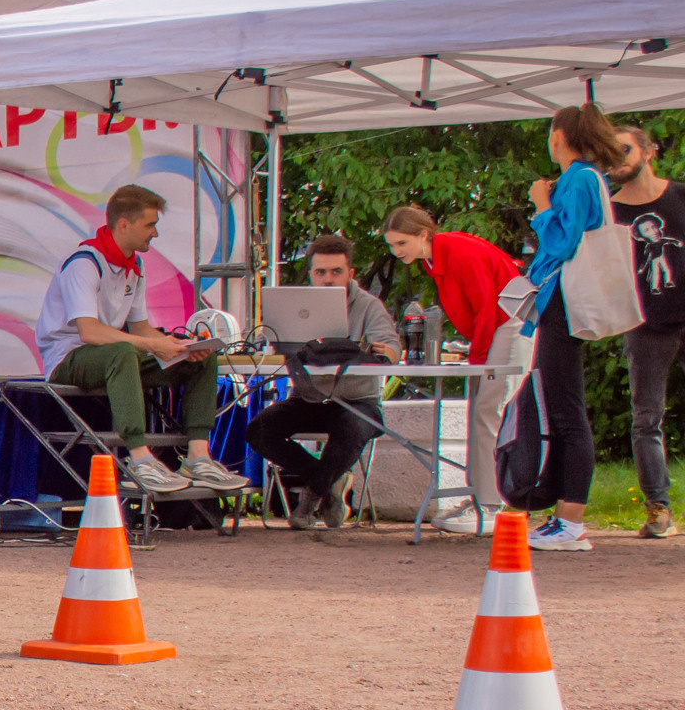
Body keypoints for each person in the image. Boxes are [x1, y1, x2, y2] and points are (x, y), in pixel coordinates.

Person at [32, 184, 243, 495]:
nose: (155, 233)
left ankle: (198, 457)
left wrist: (177, 345)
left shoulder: (135, 266)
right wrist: (152, 344)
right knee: (122, 352)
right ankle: (140, 460)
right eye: (150, 224)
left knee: (201, 357)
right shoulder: (83, 263)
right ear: (124, 224)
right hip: (68, 357)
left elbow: (141, 329)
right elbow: (88, 332)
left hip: (114, 357)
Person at [379, 206, 527, 535]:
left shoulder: (457, 251)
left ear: (423, 234)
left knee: (487, 412)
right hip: (499, 326)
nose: (397, 252)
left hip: (510, 324)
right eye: (392, 246)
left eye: (401, 243)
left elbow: (488, 306)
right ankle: (479, 497)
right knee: (481, 412)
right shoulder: (437, 258)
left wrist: (477, 357)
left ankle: (489, 505)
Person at [519, 102, 627, 551]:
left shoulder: (580, 178)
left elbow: (563, 242)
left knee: (566, 410)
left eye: (550, 132)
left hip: (564, 302)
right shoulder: (583, 178)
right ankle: (563, 516)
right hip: (558, 303)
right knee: (562, 407)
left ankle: (572, 522)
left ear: (560, 136)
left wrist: (542, 205)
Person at [242, 234, 402, 530]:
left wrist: (386, 350)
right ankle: (331, 482)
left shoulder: (369, 305)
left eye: (336, 272)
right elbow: (269, 343)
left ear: (351, 274)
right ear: (311, 273)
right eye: (320, 272)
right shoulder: (295, 305)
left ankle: (309, 499)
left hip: (357, 401)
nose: (328, 279)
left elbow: (391, 347)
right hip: (308, 398)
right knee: (258, 430)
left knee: (350, 425)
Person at [612, 123, 684, 539]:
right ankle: (660, 510)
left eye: (623, 149)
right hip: (645, 324)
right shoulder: (611, 212)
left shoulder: (681, 196)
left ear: (648, 151)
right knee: (646, 419)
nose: (615, 159)